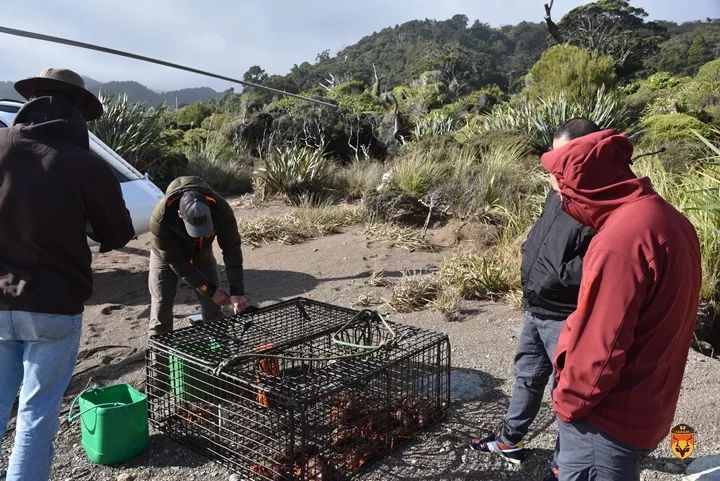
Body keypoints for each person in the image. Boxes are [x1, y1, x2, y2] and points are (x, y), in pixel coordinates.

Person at [541, 128, 701, 481]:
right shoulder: (668, 219)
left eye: (565, 191)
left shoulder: (621, 240)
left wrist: (567, 405)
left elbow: (602, 348)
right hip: (649, 405)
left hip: (606, 423)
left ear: (588, 186)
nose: (564, 202)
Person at [0, 68, 135, 481]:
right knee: (36, 416)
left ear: (30, 100)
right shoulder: (85, 164)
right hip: (54, 303)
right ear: (78, 112)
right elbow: (118, 233)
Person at [469, 119, 598, 481]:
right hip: (536, 308)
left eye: (563, 157)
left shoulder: (601, 200)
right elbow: (545, 236)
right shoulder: (558, 190)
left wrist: (555, 276)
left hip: (568, 316)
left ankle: (563, 466)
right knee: (526, 375)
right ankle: (510, 440)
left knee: (567, 395)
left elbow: (601, 265)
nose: (554, 167)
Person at [148, 176, 247, 338]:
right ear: (180, 214)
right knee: (161, 308)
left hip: (202, 251)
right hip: (166, 255)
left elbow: (232, 250)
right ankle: (159, 359)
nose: (202, 232)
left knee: (213, 308)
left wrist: (237, 291)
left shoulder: (221, 209)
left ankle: (221, 356)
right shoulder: (161, 218)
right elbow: (178, 263)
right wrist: (210, 290)